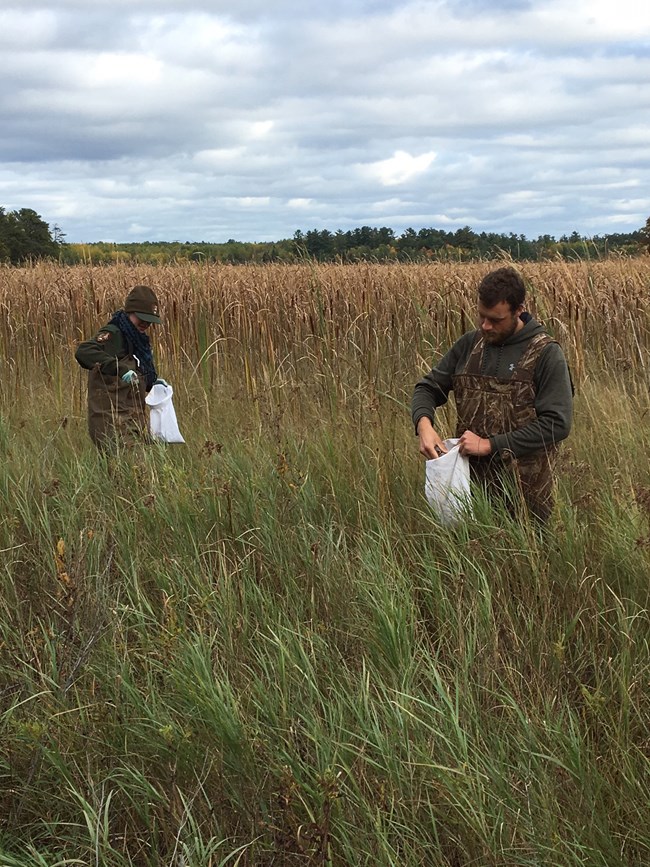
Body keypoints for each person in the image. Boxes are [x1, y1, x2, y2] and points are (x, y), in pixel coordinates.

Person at [411, 267, 573, 522]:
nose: (485, 326)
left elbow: (557, 424)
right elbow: (427, 388)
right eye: (481, 317)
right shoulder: (469, 344)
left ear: (519, 310)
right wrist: (424, 426)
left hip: (525, 499)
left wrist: (490, 445)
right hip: (467, 491)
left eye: (496, 320)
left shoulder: (546, 354)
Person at [75, 285, 164, 448]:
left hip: (132, 423)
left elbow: (137, 372)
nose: (145, 324)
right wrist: (119, 368)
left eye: (149, 321)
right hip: (111, 424)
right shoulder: (114, 334)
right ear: (130, 312)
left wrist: (152, 383)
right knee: (130, 469)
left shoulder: (137, 341)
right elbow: (84, 351)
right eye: (141, 318)